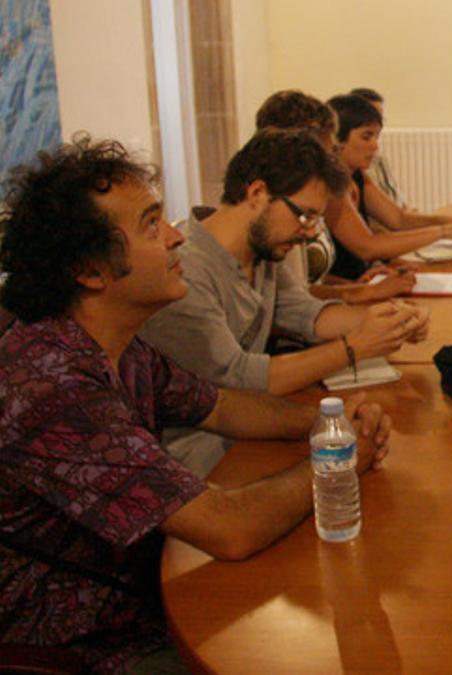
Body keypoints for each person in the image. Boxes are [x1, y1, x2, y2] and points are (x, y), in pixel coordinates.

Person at [0, 138, 392, 674]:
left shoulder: (117, 345)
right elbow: (229, 529)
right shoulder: (55, 389)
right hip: (91, 639)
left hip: (141, 590)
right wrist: (342, 456)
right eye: (151, 225)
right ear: (91, 270)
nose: (176, 236)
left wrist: (332, 422)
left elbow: (222, 406)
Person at [137, 129, 427, 473]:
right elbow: (237, 377)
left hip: (253, 430)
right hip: (203, 459)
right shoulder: (186, 271)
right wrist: (354, 346)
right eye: (304, 216)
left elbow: (305, 312)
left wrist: (392, 320)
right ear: (257, 193)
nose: (309, 232)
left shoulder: (261, 251)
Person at [255, 89, 416, 301]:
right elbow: (289, 303)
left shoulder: (306, 193)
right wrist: (363, 292)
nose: (331, 157)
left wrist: (352, 286)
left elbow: (305, 283)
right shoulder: (276, 208)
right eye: (326, 150)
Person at [324, 93, 452, 281]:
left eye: (376, 137)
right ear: (337, 140)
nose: (375, 146)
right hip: (345, 288)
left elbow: (399, 219)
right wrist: (444, 232)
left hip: (368, 276)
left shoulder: (356, 175)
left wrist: (449, 222)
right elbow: (368, 247)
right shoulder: (330, 186)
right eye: (366, 137)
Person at [348, 86, 404, 211]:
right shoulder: (339, 184)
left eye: (380, 118)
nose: (375, 145)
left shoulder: (376, 160)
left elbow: (399, 215)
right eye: (366, 136)